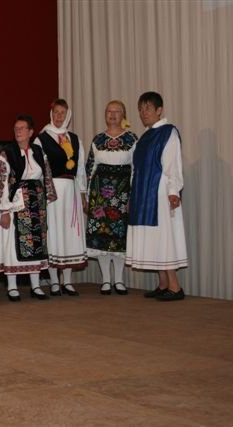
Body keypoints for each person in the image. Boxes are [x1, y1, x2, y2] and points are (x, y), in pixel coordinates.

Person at [126, 91, 187, 301]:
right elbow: (135, 169)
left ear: (159, 110)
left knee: (164, 237)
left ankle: (175, 287)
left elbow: (173, 164)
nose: (143, 113)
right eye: (140, 109)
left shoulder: (168, 132)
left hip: (159, 193)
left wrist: (173, 191)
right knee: (154, 239)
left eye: (148, 108)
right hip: (142, 194)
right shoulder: (144, 137)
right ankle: (163, 284)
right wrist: (132, 196)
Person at [0, 115, 57, 301]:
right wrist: (4, 210)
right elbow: (2, 182)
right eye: (16, 128)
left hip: (36, 203)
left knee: (36, 242)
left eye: (22, 128)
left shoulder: (38, 151)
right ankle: (12, 286)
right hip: (15, 204)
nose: (18, 131)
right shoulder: (7, 153)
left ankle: (35, 286)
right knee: (13, 244)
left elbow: (46, 175)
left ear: (31, 132)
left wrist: (47, 199)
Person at [35, 99, 88, 296]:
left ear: (68, 115)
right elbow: (38, 169)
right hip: (52, 191)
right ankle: (54, 281)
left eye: (62, 113)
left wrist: (82, 193)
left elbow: (80, 168)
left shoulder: (74, 139)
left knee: (69, 233)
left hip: (71, 191)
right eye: (56, 112)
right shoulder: (41, 139)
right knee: (54, 232)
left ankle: (68, 280)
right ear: (51, 114)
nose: (59, 116)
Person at [85, 100, 137, 295]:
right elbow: (90, 168)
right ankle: (106, 280)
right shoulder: (98, 139)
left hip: (122, 194)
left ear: (123, 115)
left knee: (119, 235)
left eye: (117, 111)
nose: (113, 114)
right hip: (100, 194)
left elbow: (137, 169)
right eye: (109, 111)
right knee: (102, 236)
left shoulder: (132, 139)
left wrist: (133, 196)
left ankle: (119, 280)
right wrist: (87, 196)